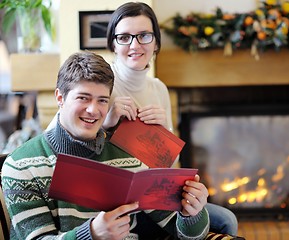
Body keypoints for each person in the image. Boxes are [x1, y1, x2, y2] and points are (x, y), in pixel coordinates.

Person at [1, 51, 210, 239]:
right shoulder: (21, 165)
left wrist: (191, 213)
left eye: (102, 100)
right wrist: (91, 234)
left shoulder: (130, 154)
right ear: (60, 97)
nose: (93, 110)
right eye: (83, 98)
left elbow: (183, 233)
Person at [104, 2, 238, 236]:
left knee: (226, 219)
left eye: (144, 36)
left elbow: (169, 164)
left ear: (155, 43)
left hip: (156, 195)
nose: (135, 45)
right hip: (120, 202)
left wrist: (163, 130)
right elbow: (67, 137)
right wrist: (107, 122)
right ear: (113, 44)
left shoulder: (158, 89)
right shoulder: (102, 84)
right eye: (124, 37)